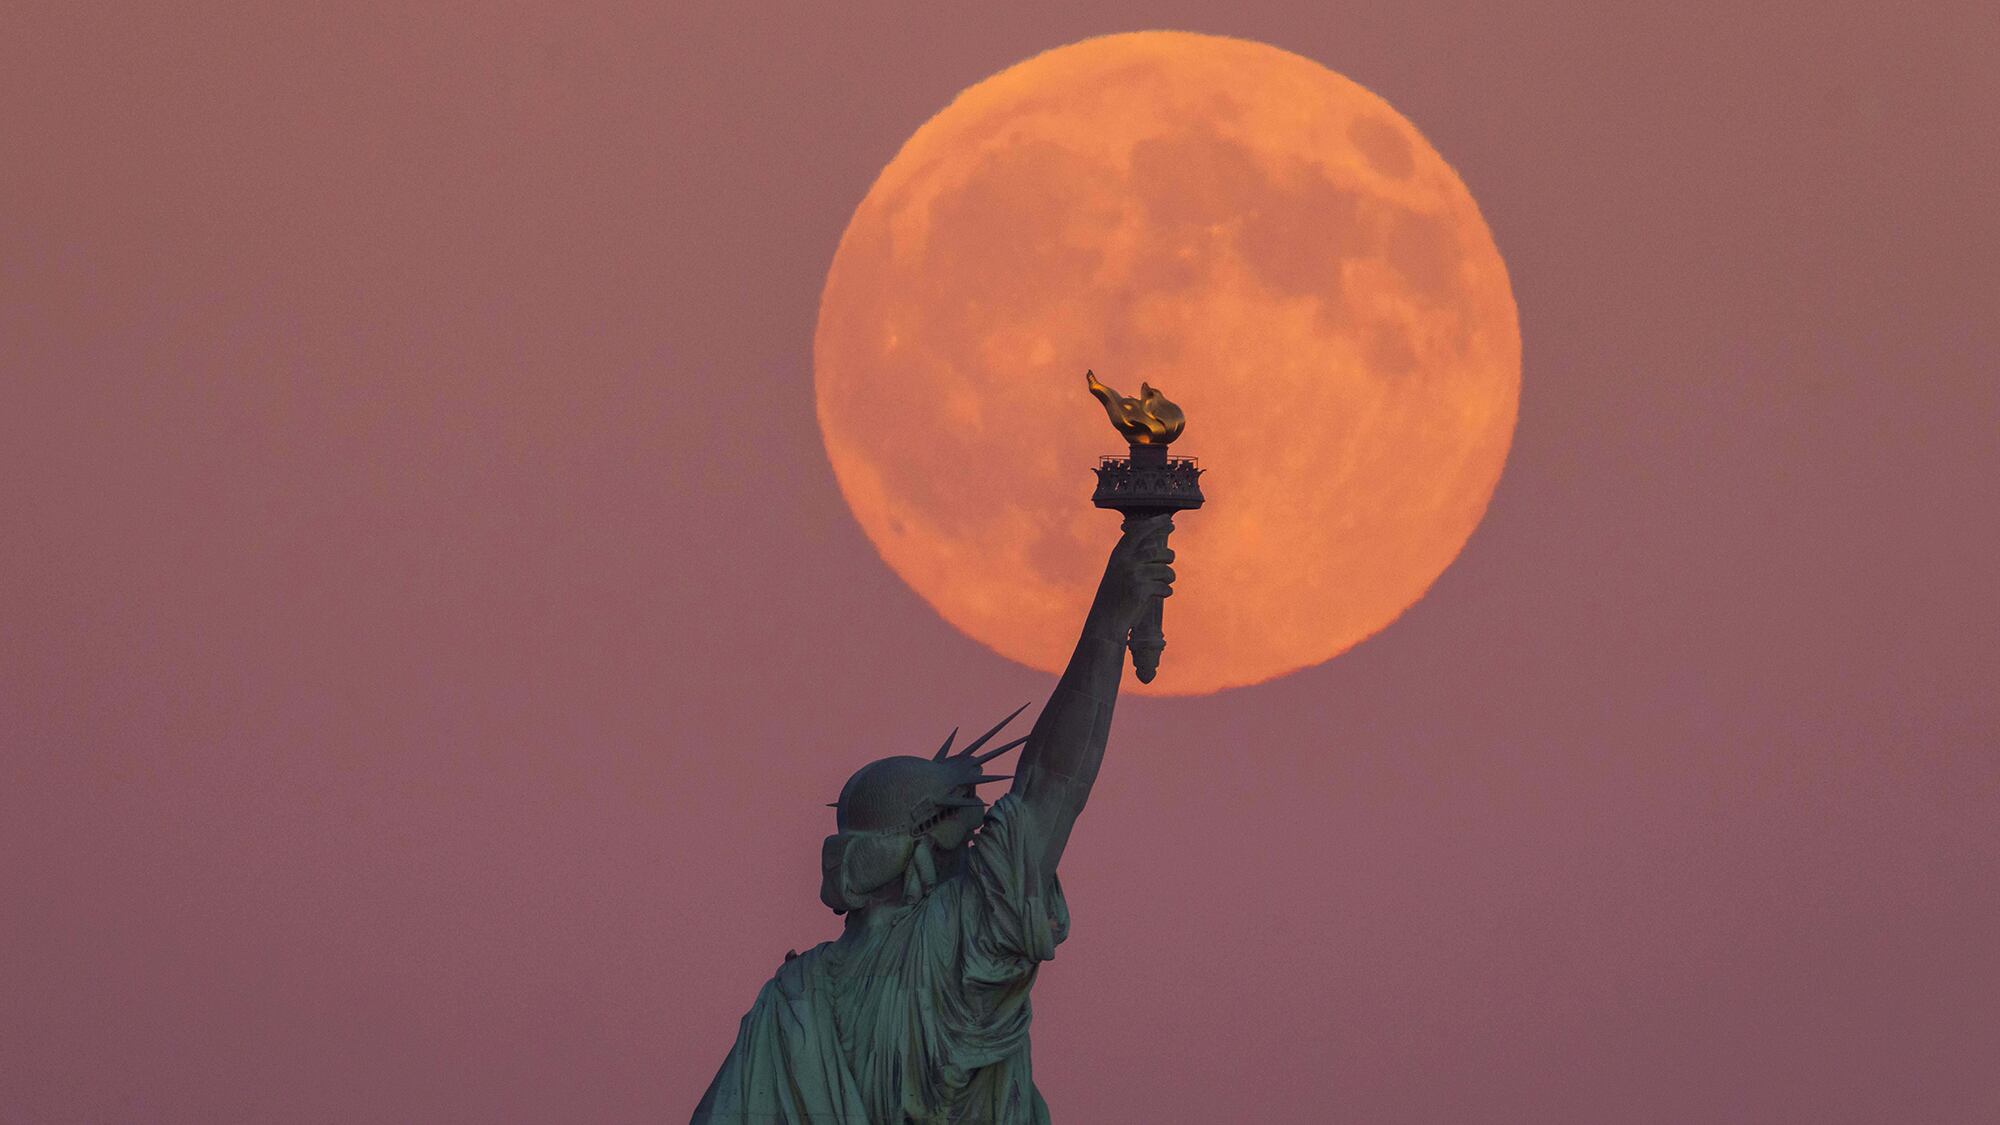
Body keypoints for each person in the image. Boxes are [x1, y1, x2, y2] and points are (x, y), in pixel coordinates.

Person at [692, 515, 1177, 1124]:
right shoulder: (949, 947)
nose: (975, 848)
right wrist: (1108, 624)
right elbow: (1051, 785)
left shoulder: (790, 1000)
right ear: (919, 851)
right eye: (961, 834)